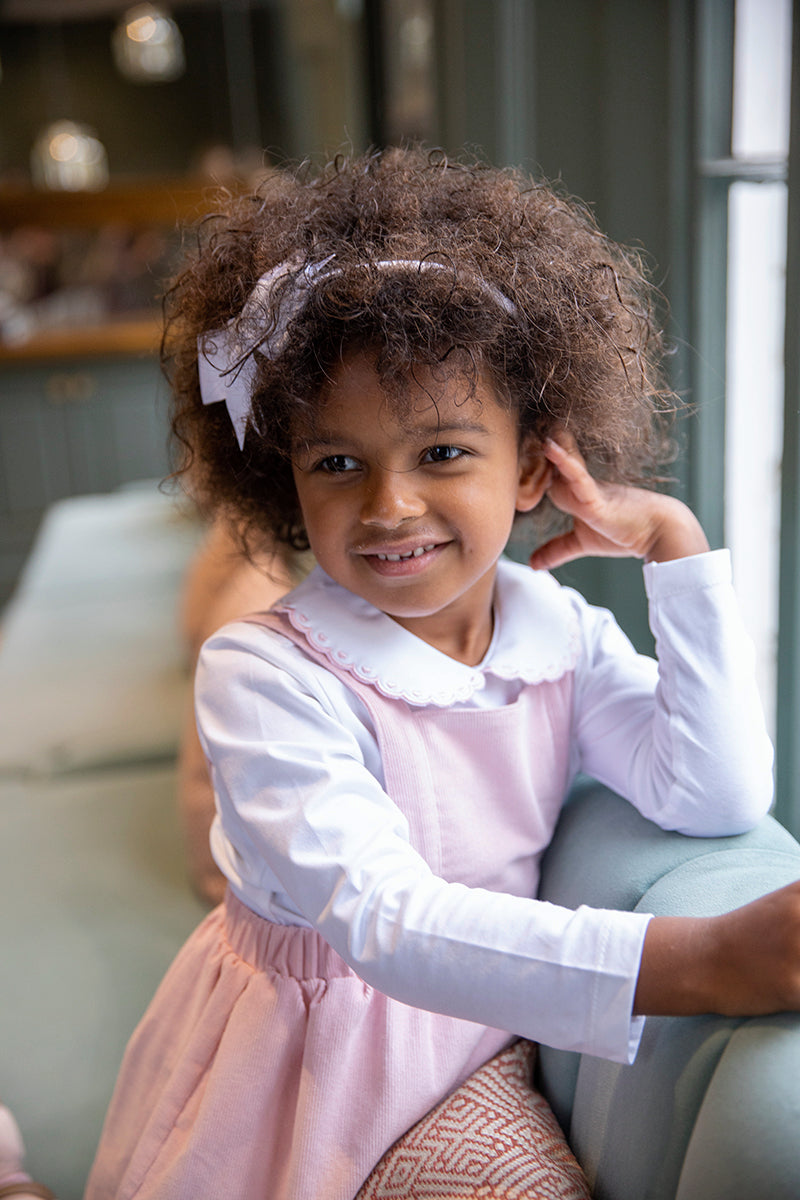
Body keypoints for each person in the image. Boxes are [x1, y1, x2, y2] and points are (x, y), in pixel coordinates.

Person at [86, 147, 796, 1200]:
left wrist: (676, 552)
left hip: (478, 1033)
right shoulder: (266, 673)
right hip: (303, 1069)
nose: (389, 506)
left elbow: (715, 791)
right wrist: (696, 962)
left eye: (442, 453)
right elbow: (381, 919)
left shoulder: (552, 628)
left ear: (532, 467)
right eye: (337, 463)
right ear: (283, 480)